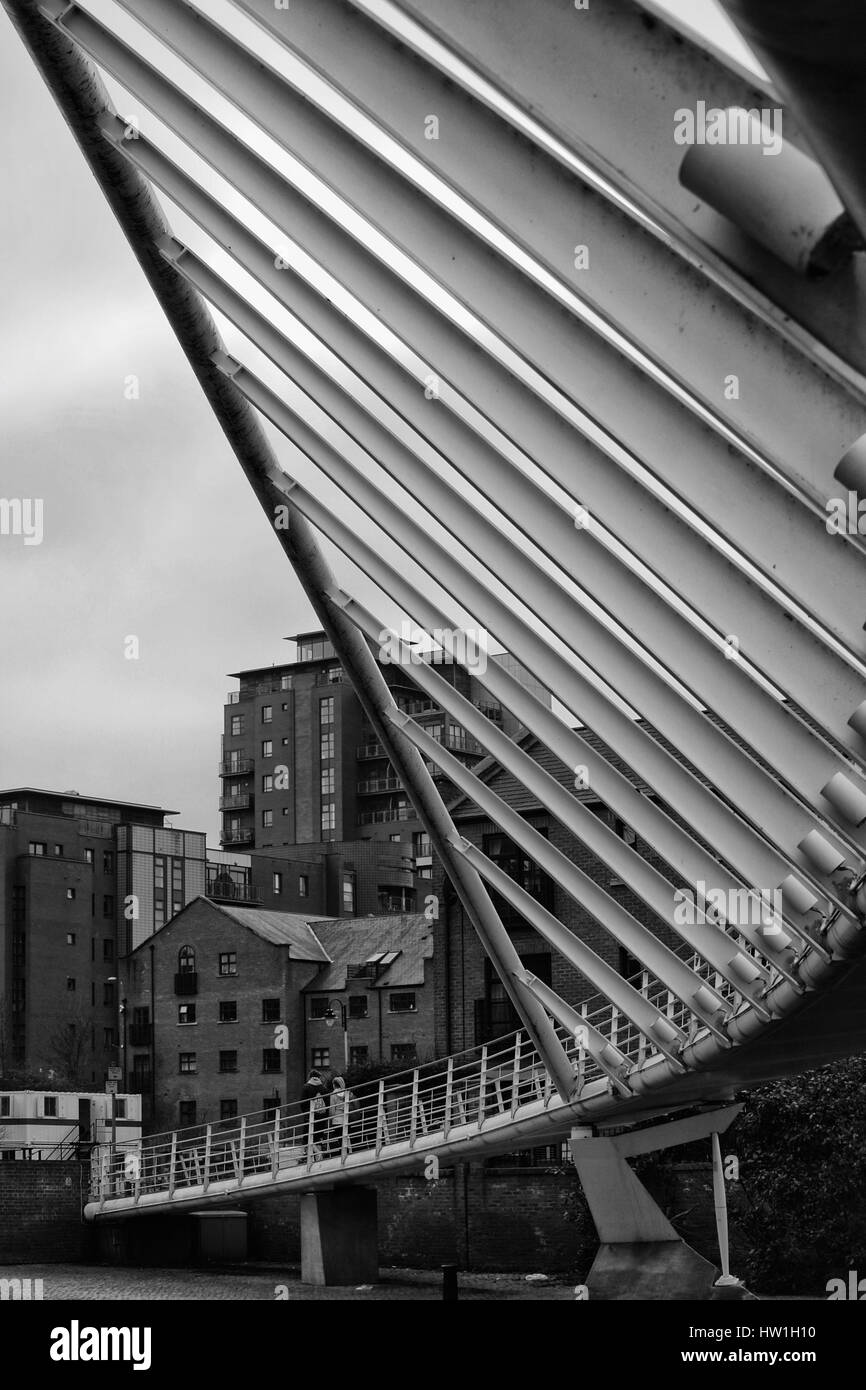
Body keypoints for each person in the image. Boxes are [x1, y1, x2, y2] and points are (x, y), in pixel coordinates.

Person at [300, 1069, 329, 1159]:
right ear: (318, 1077)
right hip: (322, 1117)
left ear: (310, 1077)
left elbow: (302, 1103)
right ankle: (319, 1160)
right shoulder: (323, 1088)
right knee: (319, 1137)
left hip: (310, 1116)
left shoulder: (306, 1087)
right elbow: (328, 1102)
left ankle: (315, 1154)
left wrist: (306, 1113)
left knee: (308, 1138)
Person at [328, 1075, 351, 1155]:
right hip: (346, 1118)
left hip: (337, 1120)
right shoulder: (346, 1093)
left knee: (340, 1138)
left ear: (334, 1085)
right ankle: (346, 1151)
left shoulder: (333, 1095)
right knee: (344, 1137)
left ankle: (342, 1153)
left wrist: (330, 1120)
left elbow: (332, 1110)